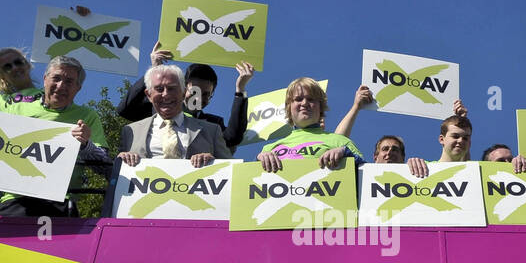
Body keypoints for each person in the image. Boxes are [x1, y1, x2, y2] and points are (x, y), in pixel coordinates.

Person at [0, 55, 109, 217]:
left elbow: (105, 167)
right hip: (13, 203)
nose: (61, 86)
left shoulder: (87, 117)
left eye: (69, 82)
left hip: (60, 204)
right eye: (56, 78)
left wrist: (85, 145)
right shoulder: (14, 105)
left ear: (78, 88)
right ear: (45, 79)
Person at [117, 42, 253, 150]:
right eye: (194, 91)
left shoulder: (214, 124)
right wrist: (154, 72)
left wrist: (240, 90)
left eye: (206, 94)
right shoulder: (158, 110)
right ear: (183, 89)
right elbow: (125, 110)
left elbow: (232, 138)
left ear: (212, 95)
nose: (198, 98)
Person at [118, 64, 231, 166]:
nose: (166, 94)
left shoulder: (212, 131)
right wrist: (121, 161)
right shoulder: (130, 131)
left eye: (171, 88)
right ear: (148, 95)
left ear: (183, 93)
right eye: (159, 89)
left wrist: (214, 162)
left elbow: (231, 170)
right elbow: (117, 176)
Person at [257, 79, 365, 172]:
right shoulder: (269, 148)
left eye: (311, 99)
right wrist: (258, 160)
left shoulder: (341, 142)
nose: (304, 103)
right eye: (298, 99)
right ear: (289, 107)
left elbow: (366, 173)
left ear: (320, 107)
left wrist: (346, 153)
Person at [408, 101, 526, 178]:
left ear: (470, 143)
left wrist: (518, 165)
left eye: (465, 138)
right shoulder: (424, 167)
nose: (460, 141)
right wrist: (408, 167)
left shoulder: (477, 171)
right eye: (455, 136)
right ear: (441, 139)